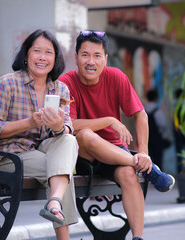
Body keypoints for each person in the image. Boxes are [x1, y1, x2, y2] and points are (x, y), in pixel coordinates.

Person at [59, 30, 175, 240]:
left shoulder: (116, 77)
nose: (90, 61)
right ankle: (148, 169)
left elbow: (140, 115)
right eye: (85, 55)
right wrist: (110, 121)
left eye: (97, 55)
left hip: (114, 152)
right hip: (81, 155)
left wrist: (144, 152)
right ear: (75, 57)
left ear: (105, 59)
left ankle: (137, 237)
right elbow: (71, 125)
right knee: (85, 135)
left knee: (129, 174)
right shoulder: (66, 82)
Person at [0, 29, 78, 240]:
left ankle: (54, 202)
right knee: (61, 171)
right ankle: (63, 231)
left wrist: (59, 126)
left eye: (48, 52)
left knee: (68, 140)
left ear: (56, 58)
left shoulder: (60, 89)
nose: (42, 57)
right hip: (9, 154)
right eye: (37, 51)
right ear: (26, 55)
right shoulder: (7, 84)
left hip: (44, 151)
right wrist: (29, 123)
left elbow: (69, 127)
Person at [145, 88, 171, 169]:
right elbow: (162, 124)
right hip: (157, 139)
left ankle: (148, 177)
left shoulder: (143, 110)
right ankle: (158, 176)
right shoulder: (157, 111)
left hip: (146, 139)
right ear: (156, 98)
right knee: (158, 160)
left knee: (148, 159)